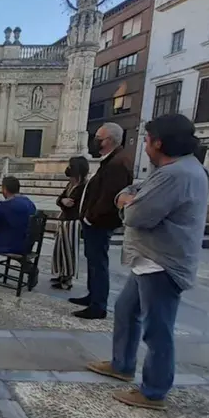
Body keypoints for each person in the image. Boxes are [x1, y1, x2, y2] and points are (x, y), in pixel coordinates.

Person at [86, 114, 208, 411]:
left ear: (159, 143)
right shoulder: (175, 170)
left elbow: (137, 215)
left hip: (162, 263)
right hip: (148, 260)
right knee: (126, 310)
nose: (144, 145)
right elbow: (133, 191)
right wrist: (128, 197)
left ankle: (154, 391)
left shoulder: (175, 175)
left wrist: (127, 203)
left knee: (158, 329)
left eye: (147, 139)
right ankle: (122, 364)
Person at [69, 122, 133, 320]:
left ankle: (98, 305)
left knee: (98, 263)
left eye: (99, 138)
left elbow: (109, 197)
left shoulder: (117, 163)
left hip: (100, 223)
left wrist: (90, 217)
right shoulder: (111, 160)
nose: (95, 141)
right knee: (93, 260)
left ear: (110, 140)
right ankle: (93, 296)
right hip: (96, 222)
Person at [50, 156, 90, 290]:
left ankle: (67, 280)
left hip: (73, 222)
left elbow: (71, 205)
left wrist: (64, 202)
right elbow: (60, 199)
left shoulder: (83, 186)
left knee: (69, 251)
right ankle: (61, 274)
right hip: (64, 221)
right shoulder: (71, 185)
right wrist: (62, 201)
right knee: (60, 250)